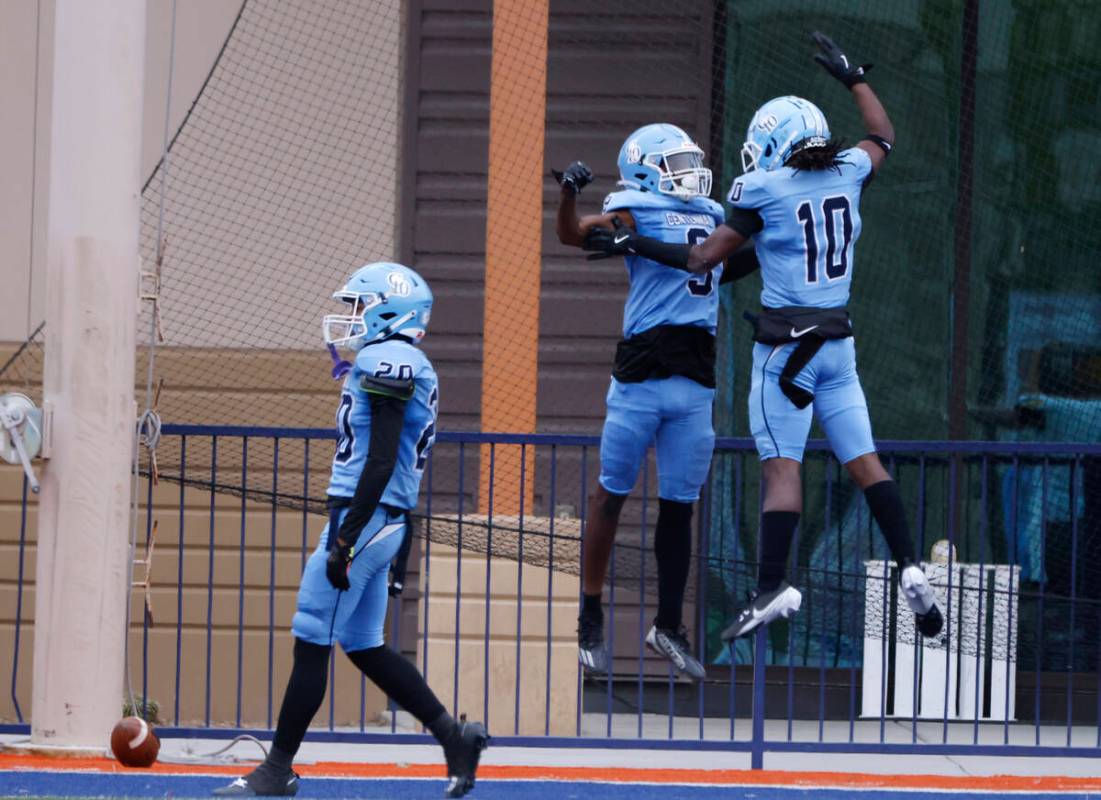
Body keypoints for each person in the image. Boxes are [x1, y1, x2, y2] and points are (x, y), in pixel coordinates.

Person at [584, 33, 944, 642]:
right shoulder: (851, 172)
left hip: (786, 352)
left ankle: (771, 585)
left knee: (782, 469)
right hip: (840, 346)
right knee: (866, 461)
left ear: (774, 147)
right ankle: (910, 562)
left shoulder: (764, 191)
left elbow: (703, 260)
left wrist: (634, 242)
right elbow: (881, 135)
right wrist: (855, 78)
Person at [215, 263, 487, 798]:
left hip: (367, 518)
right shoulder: (397, 359)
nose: (352, 319)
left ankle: (278, 769)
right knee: (363, 644)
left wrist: (345, 538)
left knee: (312, 632)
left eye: (361, 306)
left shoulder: (393, 357)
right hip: (383, 519)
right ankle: (455, 738)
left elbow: (383, 459)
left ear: (391, 309)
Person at [554, 124, 760, 679]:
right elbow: (574, 236)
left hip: (694, 378)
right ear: (645, 170)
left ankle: (668, 625)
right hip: (643, 373)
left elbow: (733, 262)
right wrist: (569, 194)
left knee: (678, 506)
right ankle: (590, 617)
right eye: (675, 163)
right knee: (610, 497)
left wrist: (766, 227)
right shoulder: (633, 209)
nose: (689, 171)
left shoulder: (712, 215)